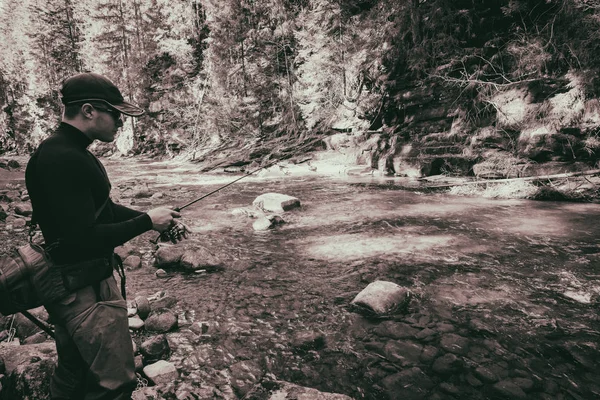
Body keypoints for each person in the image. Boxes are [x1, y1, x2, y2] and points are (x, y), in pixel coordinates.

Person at [25, 72, 186, 400]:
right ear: (88, 110)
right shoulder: (65, 158)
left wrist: (154, 220)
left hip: (69, 287)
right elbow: (80, 239)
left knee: (73, 372)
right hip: (85, 293)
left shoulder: (63, 152)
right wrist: (145, 223)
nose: (120, 122)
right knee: (114, 384)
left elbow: (102, 211)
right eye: (115, 113)